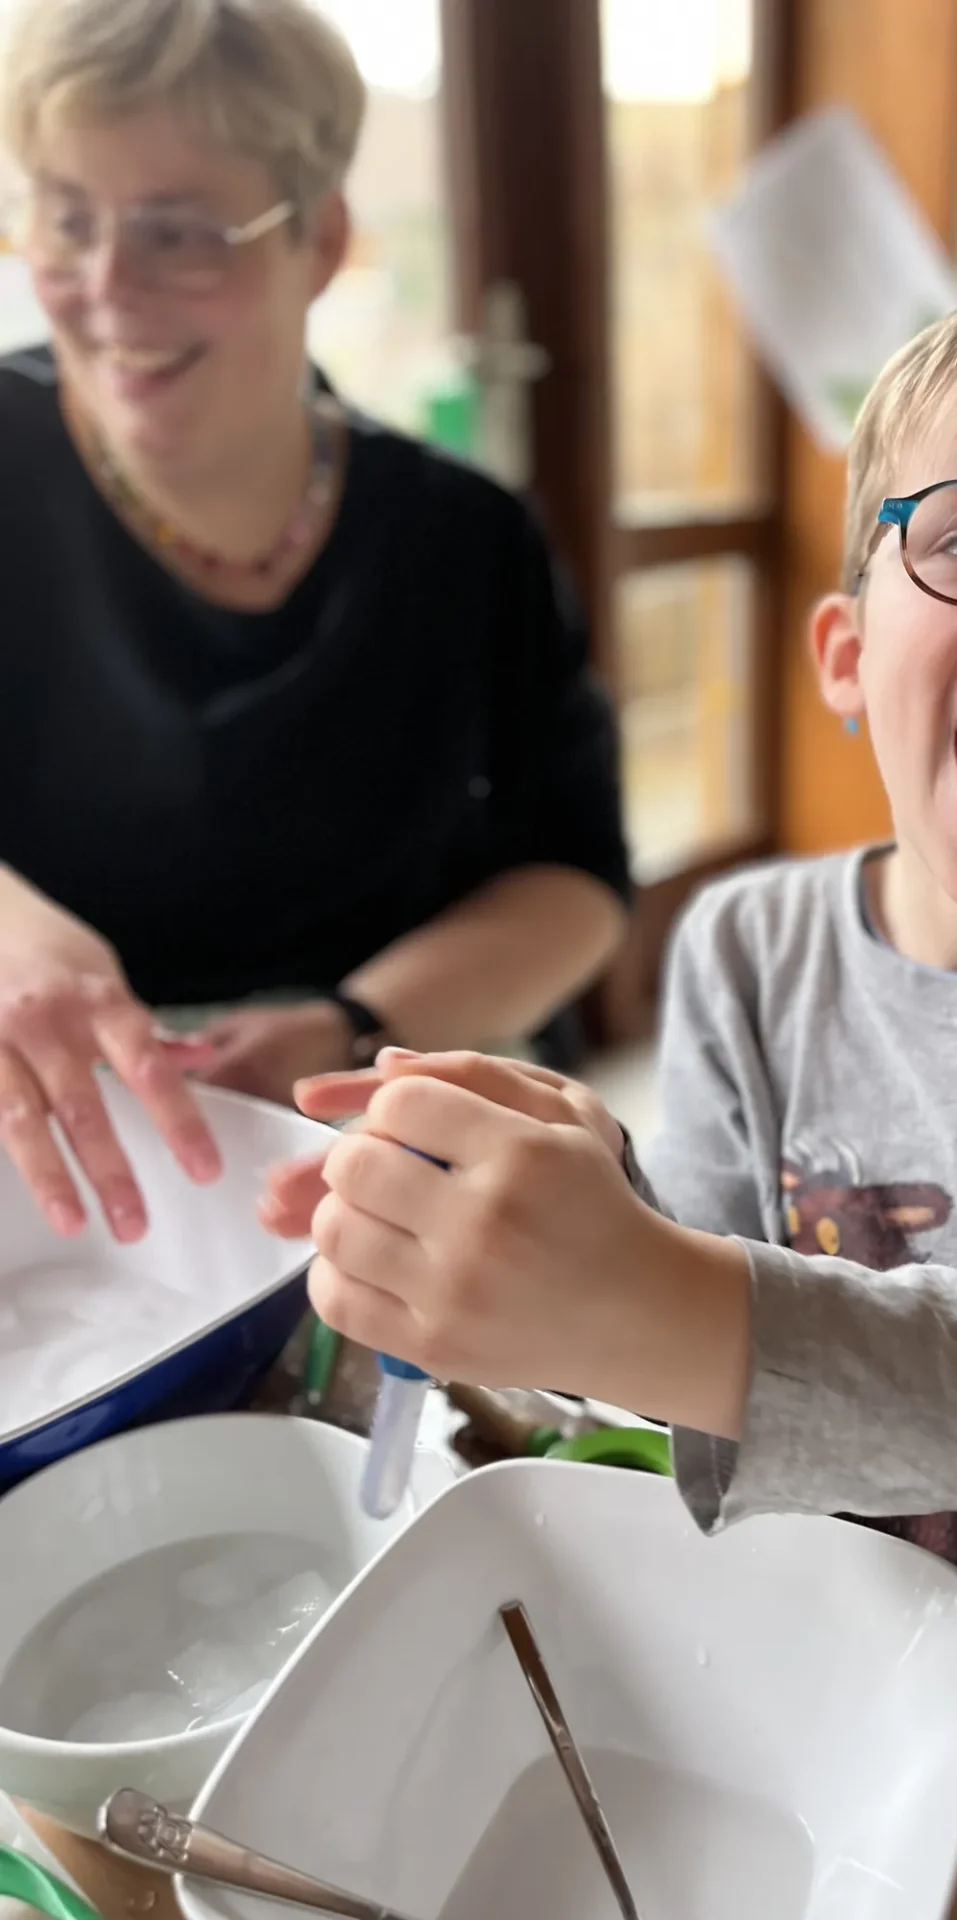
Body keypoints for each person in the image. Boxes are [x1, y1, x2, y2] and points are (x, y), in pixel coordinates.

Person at [263, 264, 957, 1700]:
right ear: (846, 656)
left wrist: (638, 1285)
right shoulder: (743, 947)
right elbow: (690, 1365)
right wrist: (594, 1210)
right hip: (799, 1638)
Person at [0, 0, 629, 1247]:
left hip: (357, 1132)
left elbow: (578, 880)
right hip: (46, 1141)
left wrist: (352, 1021)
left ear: (320, 239)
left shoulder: (464, 540)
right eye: (67, 220)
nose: (107, 289)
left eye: (178, 232)